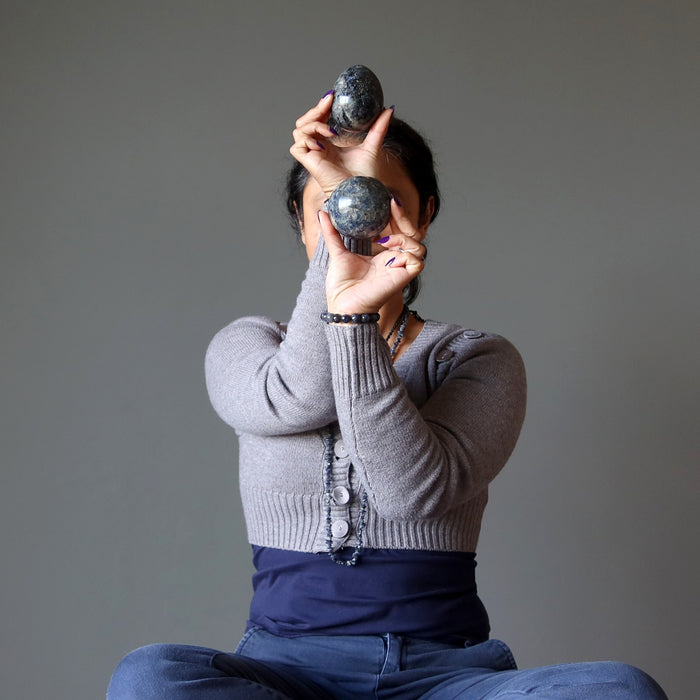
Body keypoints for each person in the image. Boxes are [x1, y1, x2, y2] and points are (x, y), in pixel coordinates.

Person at [107, 91, 666, 699]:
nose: (357, 223)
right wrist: (342, 301)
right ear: (303, 224)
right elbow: (301, 398)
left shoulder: (477, 358)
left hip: (446, 678)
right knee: (149, 679)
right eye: (334, 205)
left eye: (379, 201)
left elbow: (411, 495)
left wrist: (352, 326)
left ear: (424, 214)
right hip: (287, 674)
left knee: (621, 689)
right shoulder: (248, 346)